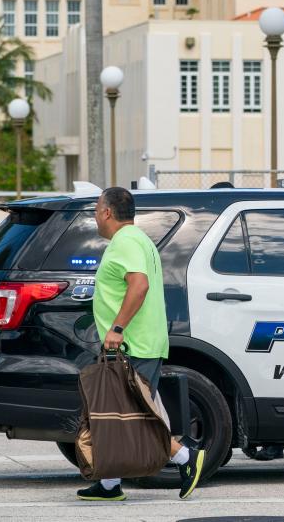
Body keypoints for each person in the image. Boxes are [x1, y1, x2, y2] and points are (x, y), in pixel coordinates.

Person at [77, 187, 206, 502]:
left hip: (133, 344)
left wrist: (117, 328)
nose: (95, 216)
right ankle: (109, 485)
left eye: (96, 209)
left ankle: (184, 457)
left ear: (107, 212)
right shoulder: (136, 240)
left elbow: (139, 285)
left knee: (135, 413)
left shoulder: (127, 242)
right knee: (118, 411)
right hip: (136, 343)